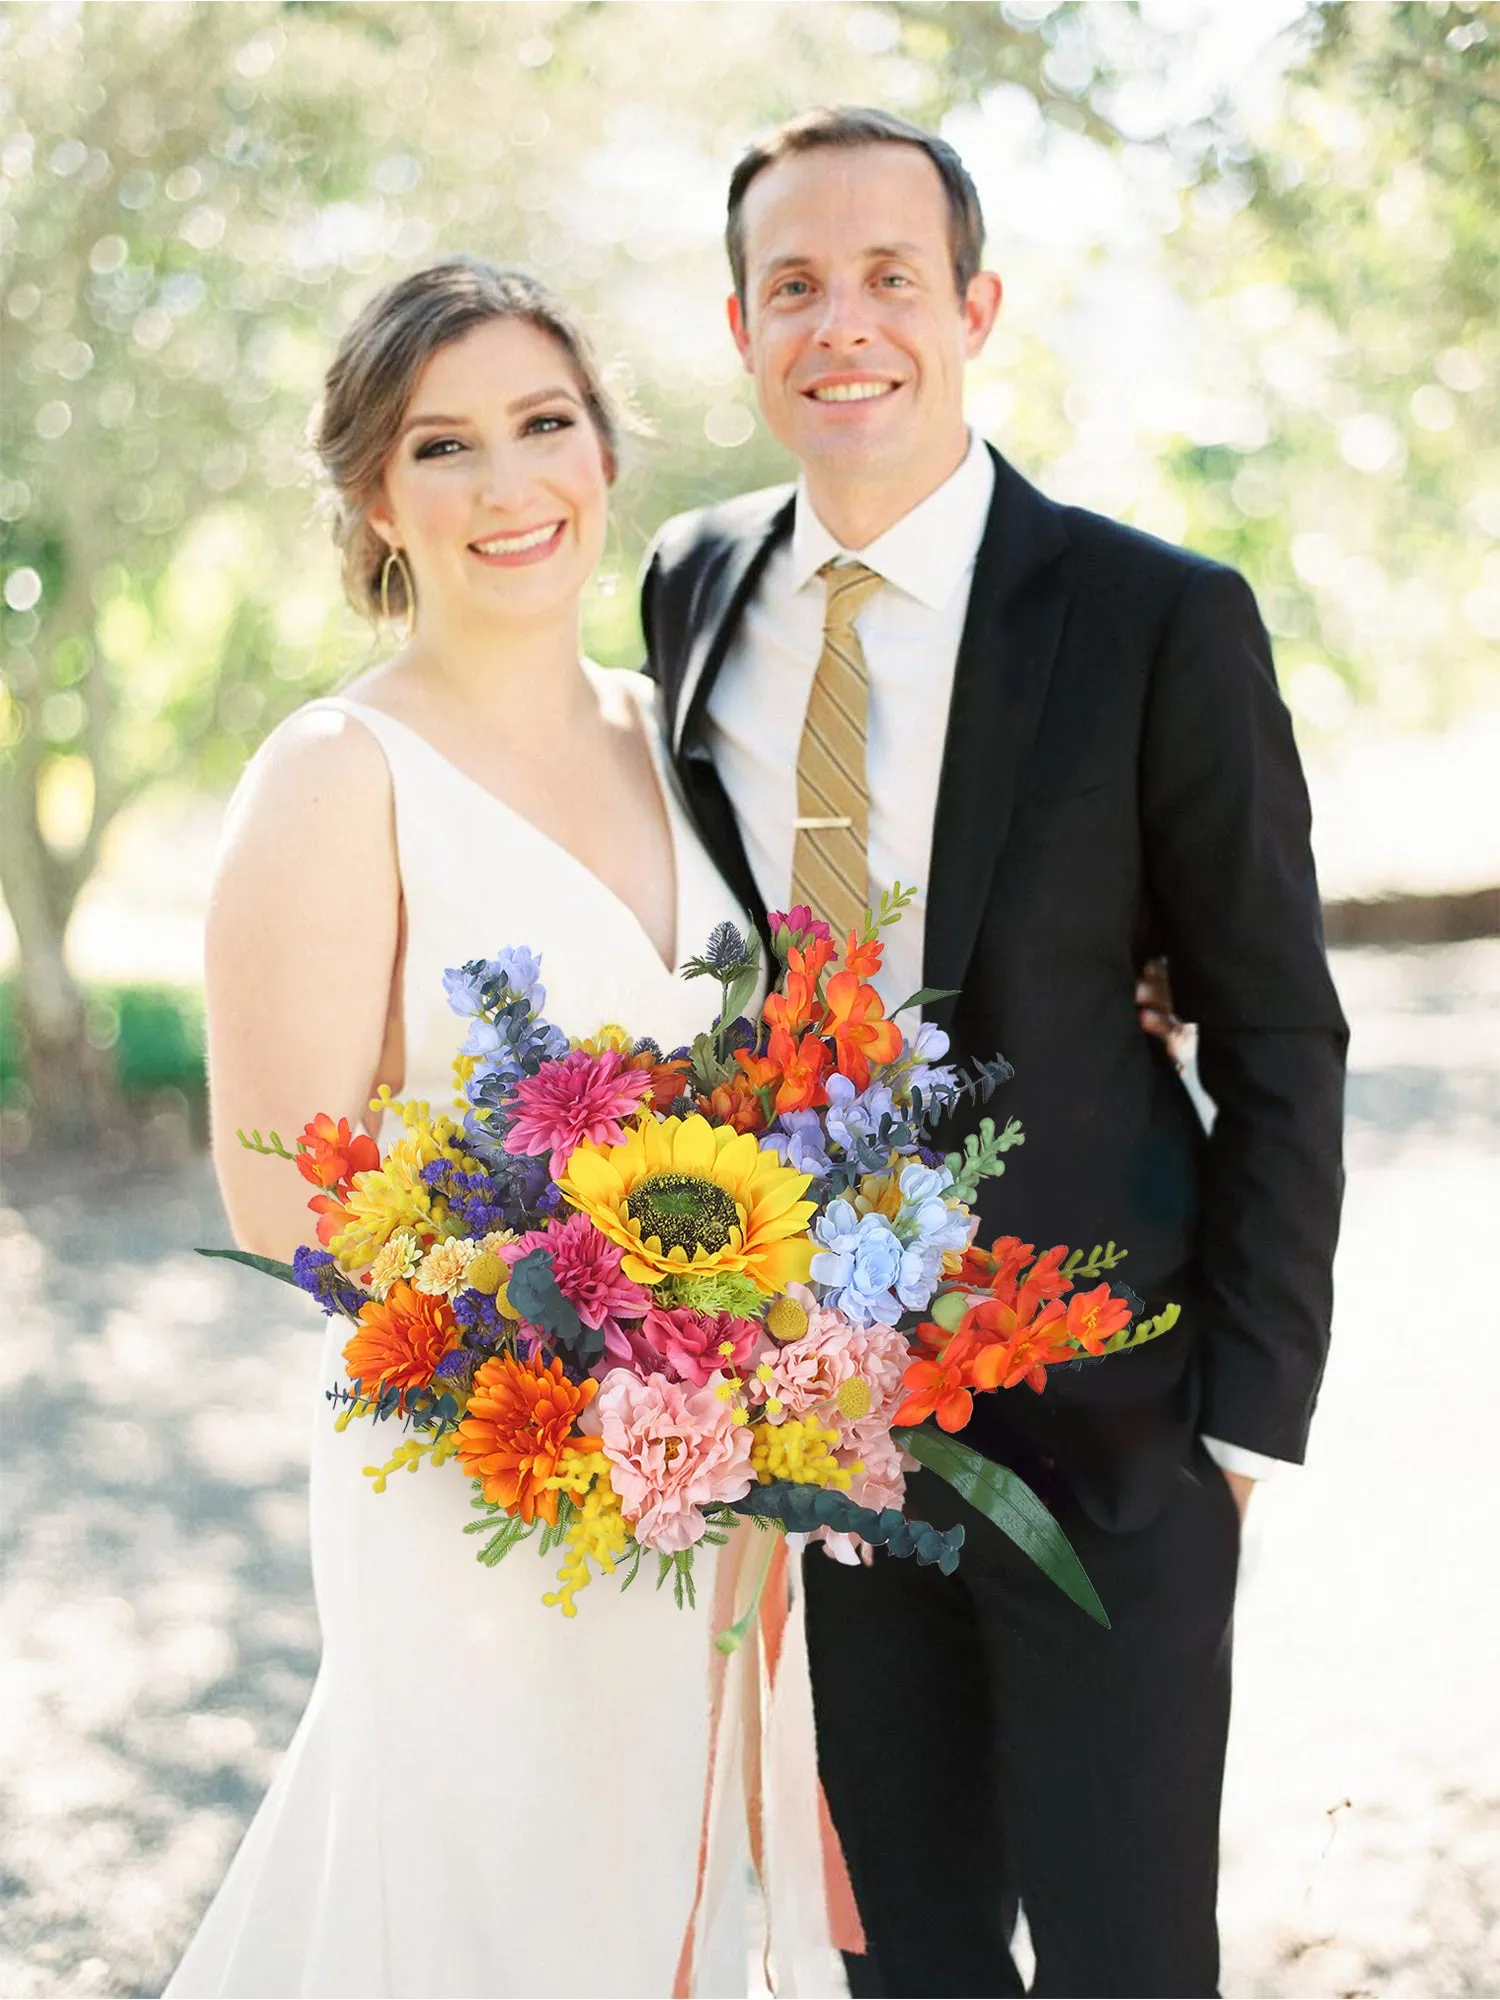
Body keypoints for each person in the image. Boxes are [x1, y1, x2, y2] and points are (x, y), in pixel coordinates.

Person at [640, 108, 1348, 1998]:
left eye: (889, 276)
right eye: (795, 285)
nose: (842, 322)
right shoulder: (690, 589)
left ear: (976, 306)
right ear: (739, 326)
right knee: (908, 1958)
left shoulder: (1158, 617)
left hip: (1115, 1418)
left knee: (1126, 1958)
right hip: (827, 1416)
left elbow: (1278, 1023)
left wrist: (1244, 1424)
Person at [168, 258, 763, 2000]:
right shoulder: (336, 771)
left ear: (603, 452)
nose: (510, 486)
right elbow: (283, 1194)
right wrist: (577, 1353)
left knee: (673, 1908)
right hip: (479, 1480)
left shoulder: (687, 739)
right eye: (445, 446)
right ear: (374, 496)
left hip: (715, 1483)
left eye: (543, 424)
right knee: (467, 1914)